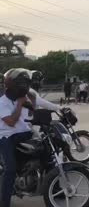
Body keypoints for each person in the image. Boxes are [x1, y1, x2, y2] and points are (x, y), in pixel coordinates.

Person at [0, 68, 35, 207]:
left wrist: (32, 101)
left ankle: (55, 187)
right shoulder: (2, 102)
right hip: (5, 136)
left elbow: (32, 115)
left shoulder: (23, 99)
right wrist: (20, 104)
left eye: (26, 84)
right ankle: (4, 203)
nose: (25, 87)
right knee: (10, 169)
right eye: (22, 84)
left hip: (23, 133)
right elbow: (11, 122)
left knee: (47, 152)